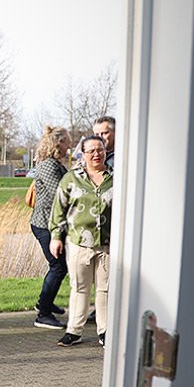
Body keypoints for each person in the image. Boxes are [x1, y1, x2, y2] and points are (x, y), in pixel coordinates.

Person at [49, 134, 113, 347]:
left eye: (100, 150)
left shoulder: (116, 177)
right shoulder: (71, 178)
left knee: (104, 289)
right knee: (80, 287)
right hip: (79, 242)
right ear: (83, 154)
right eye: (92, 151)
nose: (97, 154)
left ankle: (105, 330)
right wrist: (56, 237)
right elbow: (59, 209)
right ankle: (74, 330)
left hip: (107, 244)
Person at [30, 127, 72, 330]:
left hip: (49, 224)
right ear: (58, 144)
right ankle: (43, 313)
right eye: (67, 143)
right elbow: (61, 193)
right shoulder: (48, 166)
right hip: (44, 224)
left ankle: (44, 301)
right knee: (59, 266)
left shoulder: (54, 164)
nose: (69, 146)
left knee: (58, 266)